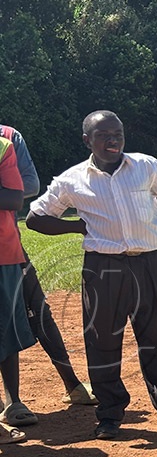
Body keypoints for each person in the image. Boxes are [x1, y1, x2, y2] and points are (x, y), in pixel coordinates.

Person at [26, 111, 157, 439]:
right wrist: (77, 227)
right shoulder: (72, 180)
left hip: (150, 264)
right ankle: (109, 414)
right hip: (102, 269)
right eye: (103, 135)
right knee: (102, 343)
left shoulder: (145, 166)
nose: (113, 140)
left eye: (118, 134)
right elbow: (35, 218)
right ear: (87, 140)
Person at [1, 123, 97, 419]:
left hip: (7, 245)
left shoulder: (8, 137)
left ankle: (71, 386)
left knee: (37, 310)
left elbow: (28, 185)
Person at [0, 133, 35, 444]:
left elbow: (14, 198)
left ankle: (13, 401)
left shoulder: (3, 145)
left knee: (7, 330)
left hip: (3, 254)